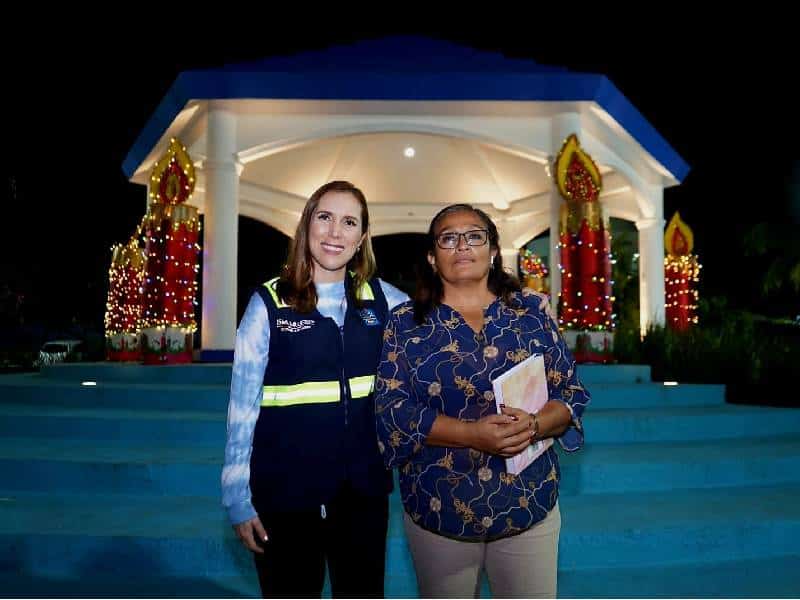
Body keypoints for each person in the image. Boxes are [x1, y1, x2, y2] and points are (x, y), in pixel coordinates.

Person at [375, 203, 591, 598]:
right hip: (440, 507)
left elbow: (570, 394)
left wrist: (536, 424)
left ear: (492, 251)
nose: (462, 246)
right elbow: (393, 412)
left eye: (475, 236)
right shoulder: (405, 323)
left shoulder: (530, 313)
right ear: (431, 256)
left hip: (528, 502)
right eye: (448, 238)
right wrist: (471, 434)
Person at [222, 180, 409, 598]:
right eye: (324, 217)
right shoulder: (268, 303)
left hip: (362, 494)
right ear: (307, 225)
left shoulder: (386, 302)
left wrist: (515, 300)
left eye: (349, 222)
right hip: (284, 494)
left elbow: (447, 324)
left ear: (362, 238)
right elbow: (242, 407)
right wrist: (236, 494)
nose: (334, 232)